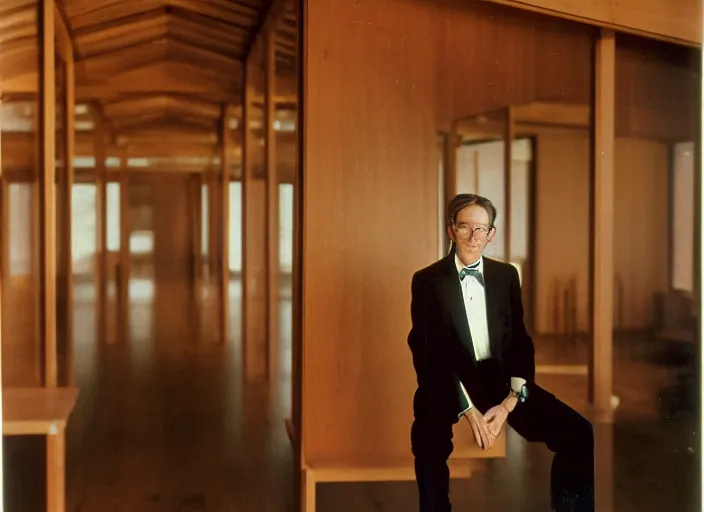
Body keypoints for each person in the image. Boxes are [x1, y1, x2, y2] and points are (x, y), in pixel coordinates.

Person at [408, 193, 594, 511]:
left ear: (491, 234)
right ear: (451, 230)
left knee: (578, 432)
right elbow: (427, 354)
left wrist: (509, 403)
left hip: (498, 377)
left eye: (482, 229)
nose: (474, 236)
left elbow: (519, 341)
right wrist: (468, 410)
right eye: (465, 226)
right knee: (427, 441)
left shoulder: (506, 275)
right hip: (448, 377)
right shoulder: (427, 281)